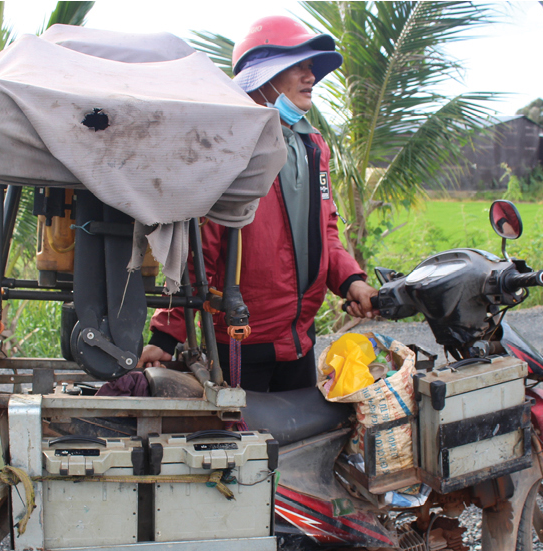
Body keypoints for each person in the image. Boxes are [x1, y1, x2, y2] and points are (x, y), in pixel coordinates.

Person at [140, 16, 378, 392]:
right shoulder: (229, 143)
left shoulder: (311, 146)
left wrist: (352, 281)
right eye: (297, 66)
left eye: (311, 67)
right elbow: (196, 252)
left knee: (302, 443)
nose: (310, 77)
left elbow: (325, 233)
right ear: (264, 75)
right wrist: (167, 334)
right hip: (240, 339)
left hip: (299, 339)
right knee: (246, 447)